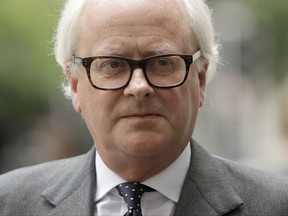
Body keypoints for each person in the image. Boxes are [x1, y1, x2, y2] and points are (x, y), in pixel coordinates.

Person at [1, 0, 288, 215]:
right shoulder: (10, 203)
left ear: (200, 79)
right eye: (113, 64)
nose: (139, 87)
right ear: (75, 85)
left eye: (162, 62)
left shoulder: (276, 205)